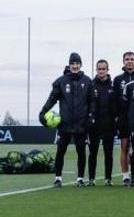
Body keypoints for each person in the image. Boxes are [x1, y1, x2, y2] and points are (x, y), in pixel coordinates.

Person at [39, 52, 94, 187]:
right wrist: (43, 113)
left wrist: (91, 117)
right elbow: (52, 99)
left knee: (81, 152)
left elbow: (92, 101)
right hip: (64, 124)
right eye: (72, 63)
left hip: (81, 124)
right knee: (60, 151)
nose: (75, 66)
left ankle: (80, 178)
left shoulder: (87, 81)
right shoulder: (61, 81)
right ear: (69, 65)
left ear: (80, 65)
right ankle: (58, 178)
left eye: (77, 63)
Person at [88, 59, 116, 186]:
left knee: (108, 153)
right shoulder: (91, 85)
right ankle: (91, 179)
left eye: (103, 69)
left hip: (109, 125)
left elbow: (117, 105)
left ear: (107, 70)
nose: (101, 71)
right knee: (92, 153)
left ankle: (108, 179)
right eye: (99, 69)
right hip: (94, 125)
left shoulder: (113, 85)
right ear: (96, 70)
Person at [113, 51, 134, 186]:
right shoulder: (118, 80)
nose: (129, 61)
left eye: (132, 59)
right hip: (123, 119)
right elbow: (114, 100)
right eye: (127, 59)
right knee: (124, 147)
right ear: (123, 61)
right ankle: (125, 176)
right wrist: (116, 117)